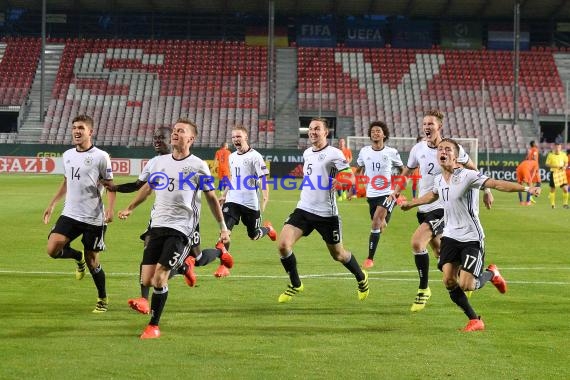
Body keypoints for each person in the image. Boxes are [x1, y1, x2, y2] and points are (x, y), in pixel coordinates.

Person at [401, 138, 541, 332]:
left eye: (448, 149)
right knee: (449, 280)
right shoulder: (439, 179)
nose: (443, 151)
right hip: (450, 236)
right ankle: (475, 320)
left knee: (468, 285)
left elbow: (497, 183)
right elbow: (433, 195)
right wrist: (412, 203)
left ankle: (492, 274)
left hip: (471, 238)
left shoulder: (468, 175)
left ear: (457, 156)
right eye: (440, 149)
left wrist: (527, 188)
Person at [117, 117, 231, 339]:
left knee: (160, 277)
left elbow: (210, 199)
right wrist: (130, 207)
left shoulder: (198, 166)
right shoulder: (160, 162)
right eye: (174, 130)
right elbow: (148, 188)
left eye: (181, 131)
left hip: (181, 229)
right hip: (157, 225)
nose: (175, 133)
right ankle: (193, 265)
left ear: (191, 138)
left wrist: (223, 227)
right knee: (147, 279)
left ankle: (154, 326)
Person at [392, 109, 493, 312]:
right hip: (425, 207)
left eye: (431, 124)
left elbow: (472, 169)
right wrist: (395, 191)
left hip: (443, 208)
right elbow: (408, 171)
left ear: (439, 126)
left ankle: (423, 290)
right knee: (439, 252)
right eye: (424, 124)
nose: (427, 127)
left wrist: (487, 189)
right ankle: (473, 277)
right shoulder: (418, 149)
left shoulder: (451, 150)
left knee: (417, 242)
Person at [276, 117, 369, 303]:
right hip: (303, 209)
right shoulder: (307, 153)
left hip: (326, 214)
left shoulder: (335, 153)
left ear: (326, 132)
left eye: (317, 129)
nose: (312, 132)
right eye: (310, 129)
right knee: (283, 245)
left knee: (339, 255)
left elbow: (350, 180)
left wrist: (340, 181)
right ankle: (296, 284)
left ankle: (361, 277)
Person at [42, 114, 116, 313]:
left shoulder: (101, 156)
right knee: (52, 250)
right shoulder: (67, 155)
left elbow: (110, 186)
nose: (76, 131)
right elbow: (67, 181)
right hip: (70, 213)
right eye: (74, 127)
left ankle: (102, 298)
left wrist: (110, 209)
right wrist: (52, 204)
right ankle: (77, 256)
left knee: (94, 262)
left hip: (93, 218)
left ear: (90, 132)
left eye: (81, 128)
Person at [217, 125, 276, 277]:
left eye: (238, 136)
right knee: (224, 233)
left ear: (246, 137)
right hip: (232, 201)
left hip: (250, 203)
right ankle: (224, 267)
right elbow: (232, 178)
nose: (236, 139)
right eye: (233, 137)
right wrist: (224, 195)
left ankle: (268, 229)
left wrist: (265, 196)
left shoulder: (255, 156)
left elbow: (263, 177)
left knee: (254, 235)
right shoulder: (231, 156)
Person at [356, 121, 403, 269]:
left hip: (388, 194)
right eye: (373, 131)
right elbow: (359, 170)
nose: (375, 133)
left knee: (376, 220)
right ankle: (383, 222)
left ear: (384, 134)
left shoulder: (391, 152)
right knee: (380, 225)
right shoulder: (364, 152)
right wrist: (355, 186)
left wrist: (396, 191)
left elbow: (403, 171)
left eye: (378, 131)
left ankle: (370, 258)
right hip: (371, 195)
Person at [545, 142, 569, 209]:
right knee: (553, 189)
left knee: (565, 189)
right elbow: (547, 164)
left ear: (561, 148)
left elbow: (566, 163)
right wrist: (555, 166)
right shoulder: (550, 155)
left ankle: (565, 204)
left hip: (561, 173)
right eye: (556, 147)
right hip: (554, 173)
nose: (557, 148)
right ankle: (552, 204)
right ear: (554, 147)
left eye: (559, 147)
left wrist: (564, 166)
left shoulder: (564, 154)